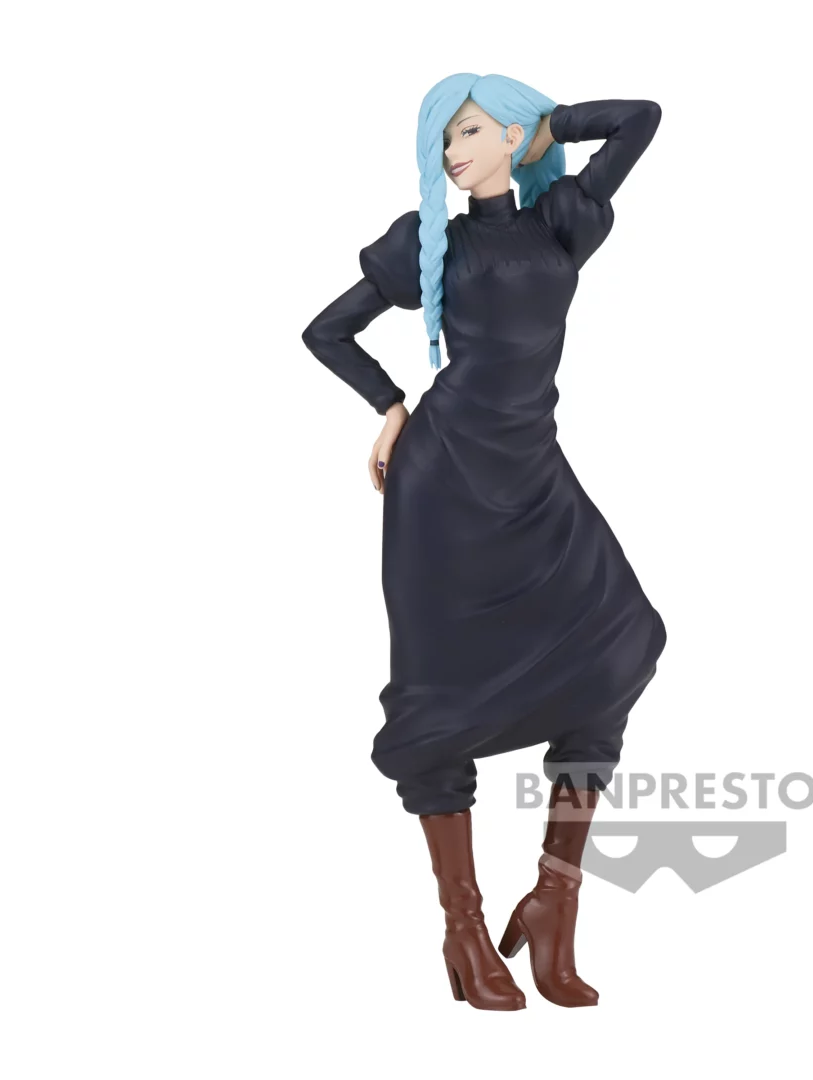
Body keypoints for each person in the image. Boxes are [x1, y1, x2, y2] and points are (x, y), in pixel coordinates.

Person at [302, 73, 665, 1009]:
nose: (453, 153)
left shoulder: (562, 224)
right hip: (442, 483)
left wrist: (548, 126)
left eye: (469, 131)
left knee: (618, 647)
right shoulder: (434, 244)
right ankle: (463, 930)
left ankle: (554, 902)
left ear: (510, 134)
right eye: (443, 140)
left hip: (532, 472)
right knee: (439, 698)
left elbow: (640, 119)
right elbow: (325, 331)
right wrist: (390, 407)